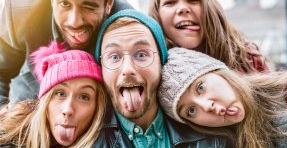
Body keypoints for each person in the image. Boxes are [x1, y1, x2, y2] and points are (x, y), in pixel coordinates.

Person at [0, 0, 132, 118]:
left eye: (89, 6)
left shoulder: (129, 27)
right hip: (29, 110)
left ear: (108, 5)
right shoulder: (19, 13)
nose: (75, 21)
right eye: (64, 3)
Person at [92, 9, 230, 147]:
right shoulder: (88, 141)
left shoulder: (209, 138)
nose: (128, 69)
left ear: (161, 63)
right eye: (114, 57)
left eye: (141, 55)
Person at [0, 41, 106, 147]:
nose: (68, 109)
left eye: (84, 97)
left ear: (97, 108)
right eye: (59, 93)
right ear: (45, 100)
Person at [146, 0, 270, 73]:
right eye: (170, 2)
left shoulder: (247, 58)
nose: (183, 8)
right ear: (157, 14)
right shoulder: (148, 67)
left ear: (211, 9)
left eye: (193, 0)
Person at [158, 47, 287, 148]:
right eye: (191, 111)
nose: (207, 107)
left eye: (200, 88)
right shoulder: (223, 143)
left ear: (219, 72)